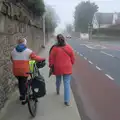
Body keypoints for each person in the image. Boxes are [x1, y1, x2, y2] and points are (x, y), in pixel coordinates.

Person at [49, 34, 75, 106]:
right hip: (67, 67)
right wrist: (71, 63)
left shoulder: (54, 48)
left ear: (57, 40)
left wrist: (51, 66)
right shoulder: (69, 47)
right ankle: (66, 101)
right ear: (64, 39)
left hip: (58, 68)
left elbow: (51, 58)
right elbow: (73, 58)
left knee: (58, 80)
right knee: (66, 84)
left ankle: (57, 90)